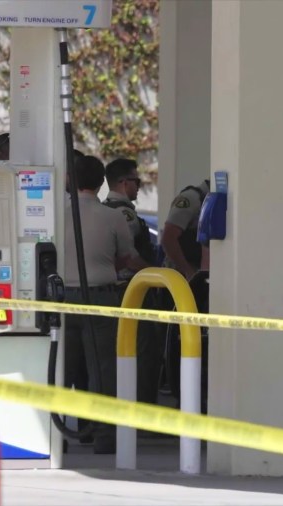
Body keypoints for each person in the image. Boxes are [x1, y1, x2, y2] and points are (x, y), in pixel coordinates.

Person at [64, 155, 149, 454]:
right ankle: (104, 437)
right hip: (101, 297)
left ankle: (58, 435)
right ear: (101, 183)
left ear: (69, 180)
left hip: (60, 299)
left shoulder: (53, 213)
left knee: (65, 368)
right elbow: (128, 256)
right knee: (101, 368)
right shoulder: (113, 216)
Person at [103, 158, 163, 406]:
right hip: (132, 291)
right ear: (123, 182)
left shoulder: (107, 209)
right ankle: (143, 412)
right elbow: (127, 256)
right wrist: (155, 274)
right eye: (136, 181)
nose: (139, 186)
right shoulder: (123, 213)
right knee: (145, 352)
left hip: (122, 291)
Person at [161, 179, 210, 280]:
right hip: (178, 276)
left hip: (194, 273)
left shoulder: (207, 200)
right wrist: (188, 271)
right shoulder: (192, 199)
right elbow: (168, 238)